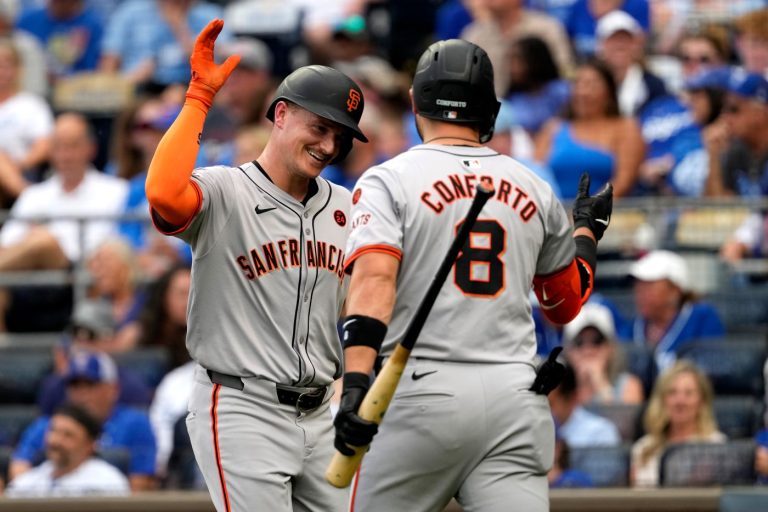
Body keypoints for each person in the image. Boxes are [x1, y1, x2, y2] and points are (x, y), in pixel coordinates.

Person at [334, 38, 613, 512]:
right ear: (490, 110)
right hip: (513, 397)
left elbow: (374, 283)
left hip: (419, 391)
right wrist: (585, 232)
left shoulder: (389, 179)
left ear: (415, 102)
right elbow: (564, 304)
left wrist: (356, 382)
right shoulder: (535, 186)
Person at [145, 20, 368, 511]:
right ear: (281, 115)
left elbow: (368, 300)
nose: (330, 146)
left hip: (320, 412)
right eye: (320, 128)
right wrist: (200, 97)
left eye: (340, 136)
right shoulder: (226, 191)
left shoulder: (347, 206)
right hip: (243, 406)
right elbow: (163, 192)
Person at [10, 351, 157, 491]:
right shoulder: (50, 424)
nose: (81, 394)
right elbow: (19, 466)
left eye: (90, 385)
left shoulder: (135, 423)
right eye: (75, 386)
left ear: (113, 389)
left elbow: (139, 487)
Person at [534, 59, 644, 199]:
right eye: (577, 84)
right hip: (555, 214)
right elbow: (536, 175)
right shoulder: (553, 128)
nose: (582, 92)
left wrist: (585, 215)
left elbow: (623, 182)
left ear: (609, 92)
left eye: (591, 85)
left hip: (606, 216)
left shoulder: (625, 128)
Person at [622, 250, 725, 373]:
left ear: (675, 290)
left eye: (649, 285)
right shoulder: (633, 327)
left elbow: (711, 368)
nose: (640, 292)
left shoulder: (702, 318)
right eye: (638, 285)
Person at [630, 360, 726, 488]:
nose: (680, 401)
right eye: (672, 393)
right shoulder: (643, 448)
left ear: (701, 402)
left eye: (689, 393)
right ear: (662, 400)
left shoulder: (717, 445)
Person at [5, 403, 130, 498]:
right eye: (53, 431)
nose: (56, 441)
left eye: (68, 435)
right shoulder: (29, 481)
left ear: (89, 444)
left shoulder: (108, 482)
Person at [563, 302, 644, 405]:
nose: (588, 350)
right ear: (569, 351)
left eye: (597, 341)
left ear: (610, 348)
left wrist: (601, 385)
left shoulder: (629, 386)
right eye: (579, 343)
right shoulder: (557, 390)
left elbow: (622, 420)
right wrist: (579, 384)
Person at [548, 364, 622, 448]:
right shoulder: (532, 430)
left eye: (550, 404)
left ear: (572, 398)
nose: (542, 410)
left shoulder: (599, 433)